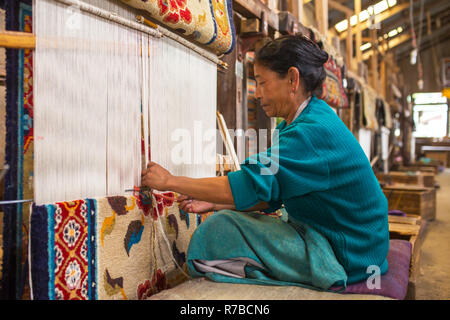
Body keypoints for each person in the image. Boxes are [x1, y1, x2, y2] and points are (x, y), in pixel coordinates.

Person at [141, 35, 389, 291]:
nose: (257, 93)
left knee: (216, 231)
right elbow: (275, 190)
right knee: (231, 217)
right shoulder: (308, 119)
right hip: (358, 242)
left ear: (292, 79)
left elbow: (252, 184)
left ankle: (306, 273)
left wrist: (169, 181)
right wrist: (215, 202)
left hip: (348, 254)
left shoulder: (309, 134)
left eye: (262, 83)